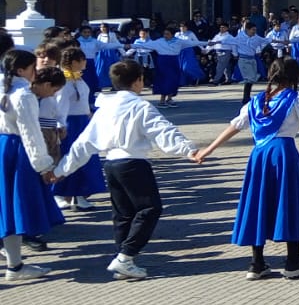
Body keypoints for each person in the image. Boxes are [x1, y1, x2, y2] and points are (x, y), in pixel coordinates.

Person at [193, 58, 299, 280]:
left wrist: (208, 150)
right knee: (289, 202)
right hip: (284, 154)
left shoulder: (255, 102)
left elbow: (234, 126)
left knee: (258, 203)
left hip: (259, 156)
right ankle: (293, 262)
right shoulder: (297, 99)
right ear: (297, 76)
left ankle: (257, 263)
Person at [51, 60, 198, 280]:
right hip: (133, 162)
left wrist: (62, 169)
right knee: (150, 208)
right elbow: (162, 130)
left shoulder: (105, 107)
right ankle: (125, 257)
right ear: (138, 80)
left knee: (123, 214)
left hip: (111, 164)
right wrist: (188, 149)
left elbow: (84, 143)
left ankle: (125, 259)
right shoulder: (140, 105)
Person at [0, 50, 62, 280]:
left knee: (6, 207)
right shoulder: (23, 95)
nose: (35, 72)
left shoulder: (5, 89)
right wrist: (44, 165)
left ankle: (14, 264)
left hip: (3, 146)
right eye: (32, 68)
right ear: (21, 70)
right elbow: (31, 134)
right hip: (17, 151)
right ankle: (14, 266)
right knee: (17, 206)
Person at [50, 47, 106, 212]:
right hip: (69, 123)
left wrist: (89, 115)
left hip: (82, 120)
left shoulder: (78, 78)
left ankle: (79, 194)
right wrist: (59, 125)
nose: (84, 63)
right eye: (82, 60)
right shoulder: (63, 81)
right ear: (74, 62)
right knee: (68, 157)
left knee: (85, 158)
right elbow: (59, 105)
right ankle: (59, 194)